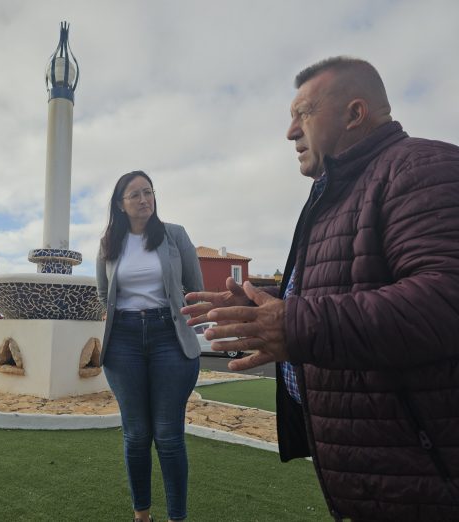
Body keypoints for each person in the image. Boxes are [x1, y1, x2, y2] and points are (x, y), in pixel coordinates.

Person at [183, 56, 459, 521]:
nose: (289, 132)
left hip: (426, 482)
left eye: (303, 113)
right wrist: (264, 303)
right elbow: (352, 279)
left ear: (355, 114)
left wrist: (292, 323)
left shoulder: (423, 167)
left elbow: (445, 297)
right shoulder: (337, 192)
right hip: (380, 476)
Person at [96, 170, 204, 522]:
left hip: (168, 337)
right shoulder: (109, 242)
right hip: (123, 340)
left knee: (169, 435)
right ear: (120, 204)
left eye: (148, 192)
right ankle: (141, 515)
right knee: (137, 435)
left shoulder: (175, 236)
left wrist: (181, 315)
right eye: (135, 195)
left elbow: (195, 286)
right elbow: (102, 292)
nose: (144, 200)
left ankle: (177, 517)